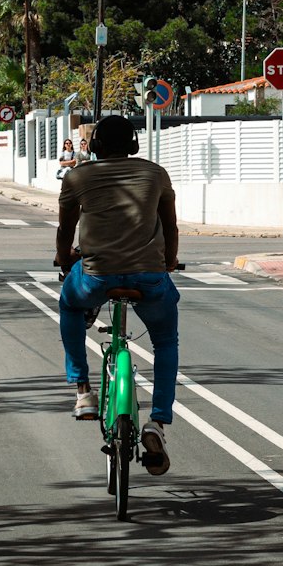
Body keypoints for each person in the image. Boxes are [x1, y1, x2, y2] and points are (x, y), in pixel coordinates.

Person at [55, 113, 179, 475]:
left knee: (69, 303)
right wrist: (168, 262)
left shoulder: (76, 176)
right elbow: (169, 225)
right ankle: (156, 422)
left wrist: (66, 262)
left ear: (93, 147)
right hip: (150, 278)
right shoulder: (156, 174)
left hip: (96, 277)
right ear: (134, 146)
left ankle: (82, 391)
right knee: (166, 342)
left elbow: (66, 231)